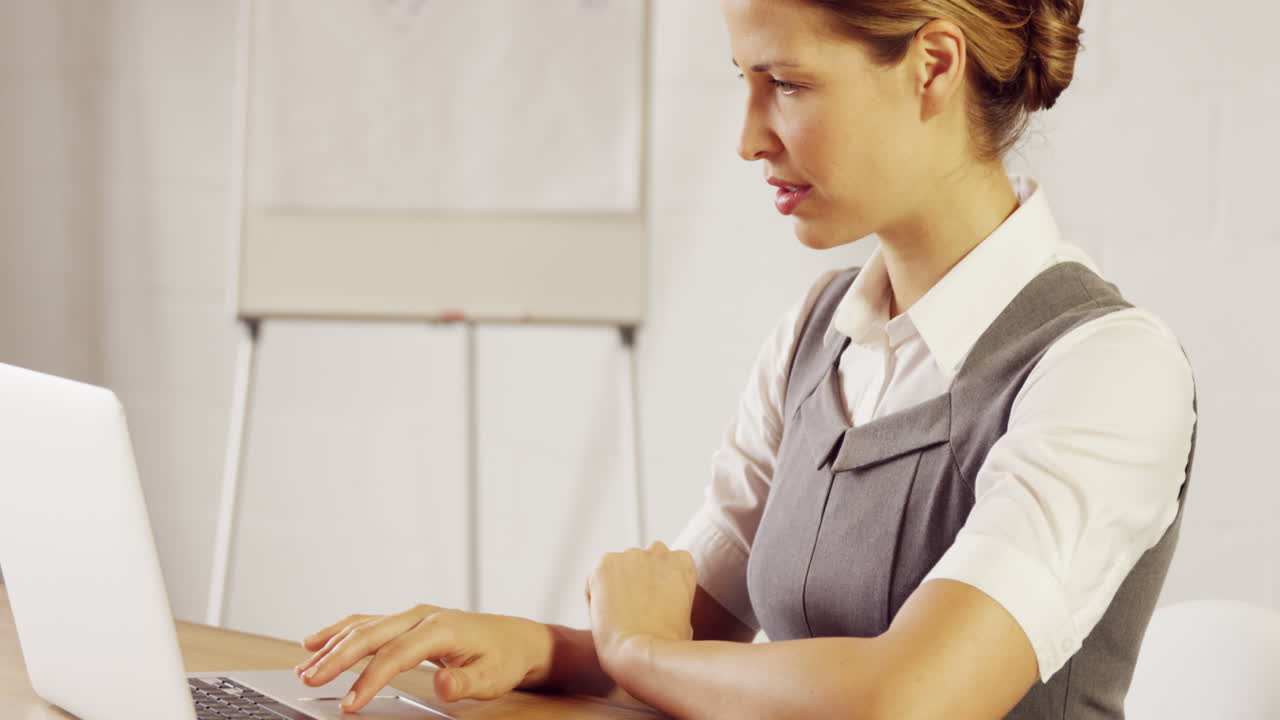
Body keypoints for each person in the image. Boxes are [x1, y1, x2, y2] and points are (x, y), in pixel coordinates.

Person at [292, 0, 1197, 717]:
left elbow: (908, 701)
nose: (748, 136)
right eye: (744, 81)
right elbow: (694, 638)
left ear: (933, 67)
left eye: (788, 84)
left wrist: (642, 653)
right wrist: (538, 648)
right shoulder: (820, 329)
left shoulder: (1107, 370)